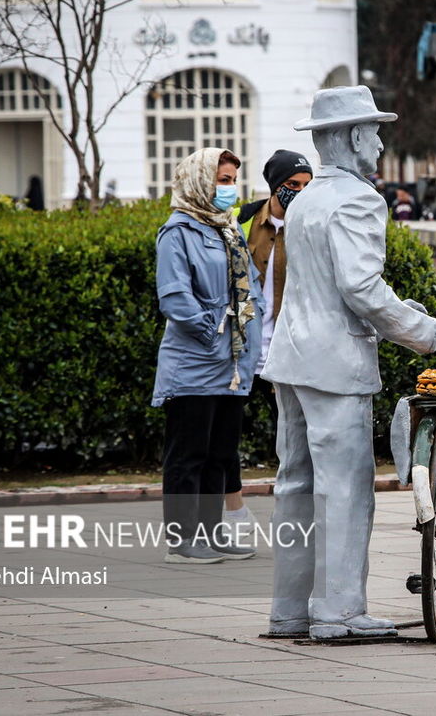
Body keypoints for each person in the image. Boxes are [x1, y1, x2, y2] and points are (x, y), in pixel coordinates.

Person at [262, 86, 436, 639]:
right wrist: (429, 333)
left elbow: (323, 287)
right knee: (344, 486)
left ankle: (290, 609)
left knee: (295, 483)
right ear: (351, 136)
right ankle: (338, 613)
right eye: (374, 130)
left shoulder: (307, 198)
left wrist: (401, 314)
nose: (381, 139)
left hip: (292, 356)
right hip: (335, 361)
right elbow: (361, 289)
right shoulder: (359, 199)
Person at [152, 147, 264, 564]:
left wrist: (246, 331)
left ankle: (212, 534)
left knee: (221, 453)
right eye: (221, 179)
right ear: (199, 181)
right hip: (195, 362)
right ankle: (181, 541)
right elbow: (175, 297)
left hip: (232, 365)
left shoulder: (228, 229)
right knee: (188, 453)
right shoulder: (177, 231)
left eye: (233, 180)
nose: (228, 189)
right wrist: (213, 332)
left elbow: (249, 287)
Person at [220, 150, 313, 535]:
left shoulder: (312, 225)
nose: (301, 193)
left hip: (289, 348)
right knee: (225, 433)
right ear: (276, 186)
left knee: (293, 438)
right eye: (293, 185)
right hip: (243, 347)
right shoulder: (242, 222)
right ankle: (235, 511)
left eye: (308, 186)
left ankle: (289, 513)